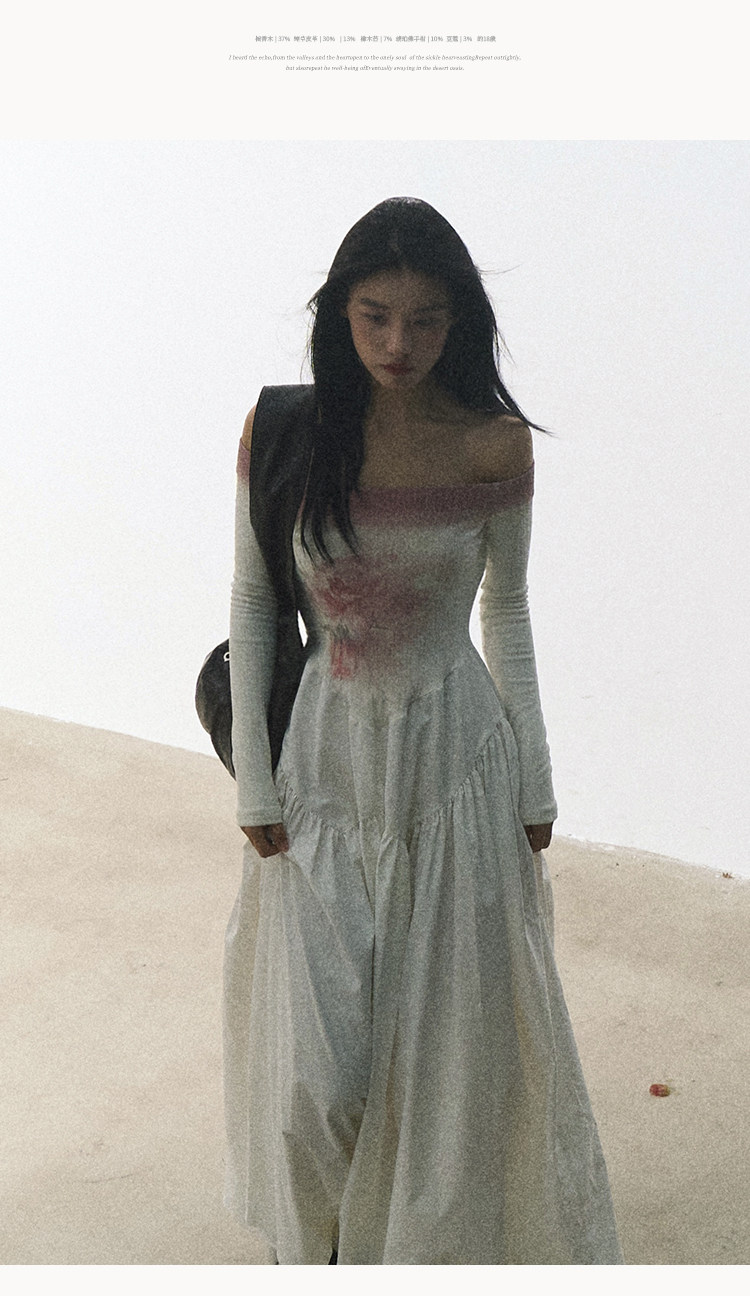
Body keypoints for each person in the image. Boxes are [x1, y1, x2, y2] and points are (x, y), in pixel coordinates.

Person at [222, 197, 622, 1264]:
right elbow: (255, 603)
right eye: (375, 315)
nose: (399, 342)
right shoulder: (285, 434)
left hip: (456, 772)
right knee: (316, 1080)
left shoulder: (492, 446)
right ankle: (315, 1255)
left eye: (427, 319)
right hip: (325, 768)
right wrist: (255, 781)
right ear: (339, 314)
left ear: (461, 323)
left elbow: (508, 611)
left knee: (442, 1061)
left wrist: (534, 784)